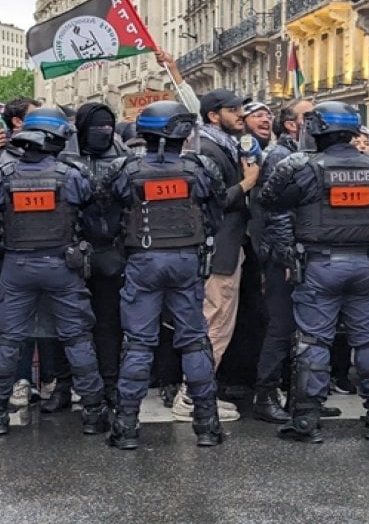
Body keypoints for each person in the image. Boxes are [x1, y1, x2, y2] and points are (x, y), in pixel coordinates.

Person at [257, 101, 369, 442]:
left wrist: (285, 252)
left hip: (319, 264)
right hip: (367, 264)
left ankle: (307, 421)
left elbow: (271, 204)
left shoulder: (304, 168)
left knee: (313, 341)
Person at [0, 107, 108, 436]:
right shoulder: (72, 175)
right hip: (63, 264)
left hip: (17, 265)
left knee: (7, 341)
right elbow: (97, 225)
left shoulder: (3, 176)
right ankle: (92, 411)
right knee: (76, 339)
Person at [102, 100, 227, 449]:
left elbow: (107, 212)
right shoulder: (200, 167)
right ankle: (206, 424)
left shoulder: (125, 168)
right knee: (194, 339)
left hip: (143, 259)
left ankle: (126, 427)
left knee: (139, 342)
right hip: (187, 259)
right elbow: (216, 212)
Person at [194, 88, 260, 416]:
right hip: (219, 249)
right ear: (213, 115)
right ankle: (194, 396)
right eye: (233, 110)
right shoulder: (207, 148)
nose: (241, 115)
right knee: (215, 322)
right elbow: (215, 200)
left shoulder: (225, 144)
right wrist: (248, 182)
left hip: (230, 247)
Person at [248, 98, 315, 424]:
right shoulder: (280, 157)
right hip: (283, 257)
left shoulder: (301, 155)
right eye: (309, 116)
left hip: (299, 253)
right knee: (281, 326)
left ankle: (300, 395)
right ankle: (266, 394)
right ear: (291, 124)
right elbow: (275, 213)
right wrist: (285, 254)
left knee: (303, 328)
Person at [62, 102, 130, 409]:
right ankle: (64, 385)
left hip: (111, 252)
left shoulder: (125, 159)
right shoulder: (65, 159)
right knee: (67, 324)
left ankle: (111, 383)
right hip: (71, 253)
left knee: (108, 323)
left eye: (108, 126)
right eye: (97, 126)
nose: (103, 132)